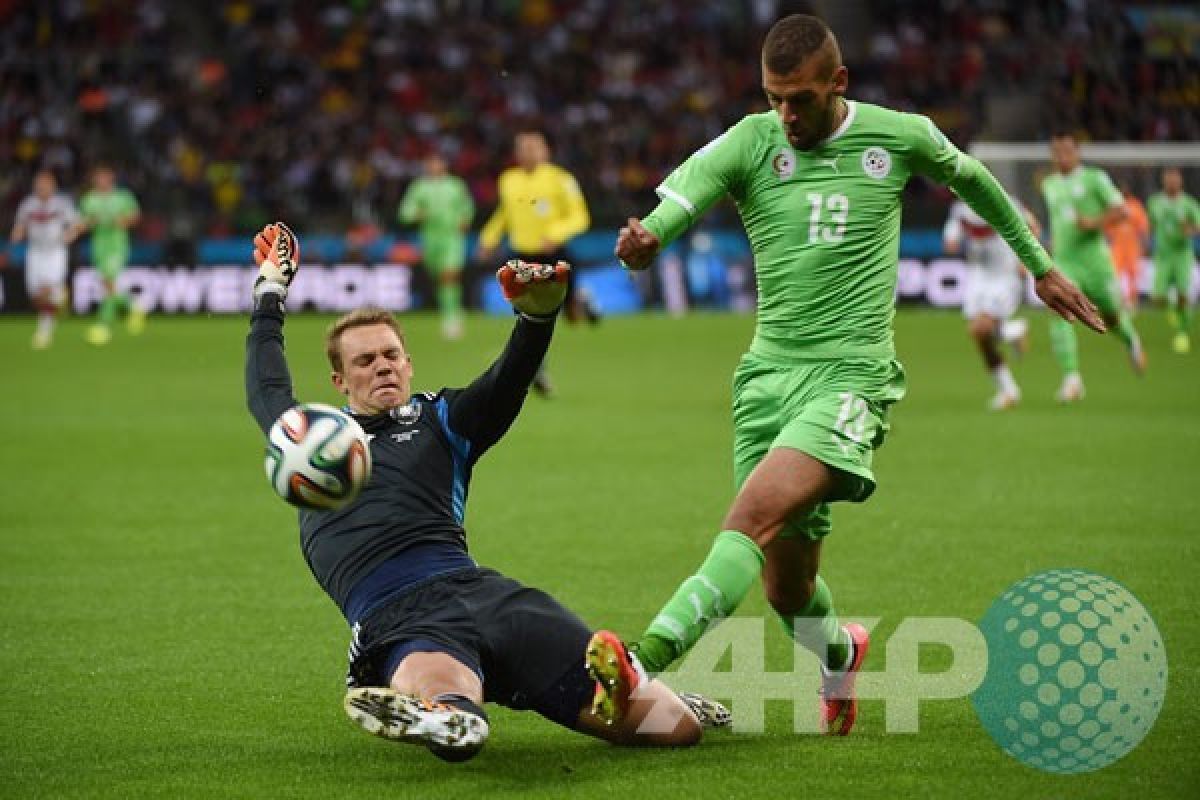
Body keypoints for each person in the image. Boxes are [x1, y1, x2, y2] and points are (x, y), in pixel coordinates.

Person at [603, 14, 1104, 736]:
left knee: (748, 519)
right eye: (774, 97)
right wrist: (648, 240)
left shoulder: (899, 136)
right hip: (765, 382)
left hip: (851, 378)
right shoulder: (753, 139)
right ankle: (841, 654)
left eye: (799, 98)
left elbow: (974, 180)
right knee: (786, 586)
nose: (785, 114)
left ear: (838, 83)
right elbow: (679, 200)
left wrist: (1041, 267)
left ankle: (641, 661)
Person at [244, 223, 725, 762]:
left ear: (408, 363)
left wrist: (538, 317)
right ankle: (446, 714)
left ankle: (638, 689)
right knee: (448, 694)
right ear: (339, 381)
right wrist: (270, 293)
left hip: (486, 595)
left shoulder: (440, 418)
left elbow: (505, 385)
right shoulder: (306, 439)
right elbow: (266, 385)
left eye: (390, 355)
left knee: (674, 728)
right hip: (396, 613)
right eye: (364, 360)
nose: (381, 365)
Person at [477, 129, 595, 394]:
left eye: (534, 147)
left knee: (571, 316)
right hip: (522, 258)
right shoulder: (508, 180)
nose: (528, 152)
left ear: (546, 151)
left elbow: (580, 216)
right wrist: (488, 239)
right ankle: (537, 369)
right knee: (527, 318)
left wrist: (556, 234)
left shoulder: (561, 179)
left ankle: (582, 300)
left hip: (554, 255)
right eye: (523, 147)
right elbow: (504, 214)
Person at [1041, 132, 1147, 402]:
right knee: (1058, 311)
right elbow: (1058, 221)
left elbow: (1122, 211)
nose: (1061, 156)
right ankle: (1072, 378)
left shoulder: (1095, 179)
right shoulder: (1050, 184)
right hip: (1064, 262)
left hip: (1096, 263)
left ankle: (1131, 341)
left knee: (1109, 317)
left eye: (1066, 150)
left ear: (1077, 152)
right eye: (1057, 151)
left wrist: (1093, 222)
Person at [943, 197, 1040, 410]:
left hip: (1004, 274)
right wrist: (953, 241)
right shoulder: (960, 209)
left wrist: (1027, 260)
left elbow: (1032, 226)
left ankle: (1008, 384)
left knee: (981, 328)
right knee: (980, 335)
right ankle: (1008, 387)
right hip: (978, 277)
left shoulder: (1003, 200)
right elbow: (951, 239)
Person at [398, 152, 475, 340]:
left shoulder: (455, 185)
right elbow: (404, 212)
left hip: (452, 238)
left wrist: (465, 219)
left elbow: (467, 206)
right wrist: (416, 214)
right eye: (430, 163)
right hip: (430, 239)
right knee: (440, 279)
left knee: (449, 275)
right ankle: (451, 308)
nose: (434, 166)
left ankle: (451, 317)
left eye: (437, 163)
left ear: (444, 165)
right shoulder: (419, 187)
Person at [9, 169, 82, 349]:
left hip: (55, 251)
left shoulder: (62, 203)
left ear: (53, 186)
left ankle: (45, 330)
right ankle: (60, 297)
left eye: (46, 184)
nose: (42, 188)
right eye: (39, 184)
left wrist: (70, 235)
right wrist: (16, 234)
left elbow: (78, 224)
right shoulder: (28, 204)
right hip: (35, 252)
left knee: (46, 290)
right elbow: (20, 225)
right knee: (35, 295)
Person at [78, 164, 143, 345]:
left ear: (111, 178)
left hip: (117, 246)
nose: (101, 181)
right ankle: (131, 306)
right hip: (99, 247)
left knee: (108, 284)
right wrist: (87, 223)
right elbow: (84, 223)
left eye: (104, 177)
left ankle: (103, 325)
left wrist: (124, 221)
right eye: (98, 178)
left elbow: (135, 216)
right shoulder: (89, 199)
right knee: (108, 285)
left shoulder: (123, 198)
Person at [1146, 167, 1200, 354]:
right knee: (1157, 298)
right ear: (1164, 181)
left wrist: (1190, 230)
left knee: (1184, 295)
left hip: (1182, 256)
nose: (1171, 182)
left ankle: (1182, 333)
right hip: (1163, 256)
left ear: (1180, 181)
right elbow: (1151, 224)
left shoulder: (1189, 204)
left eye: (1175, 179)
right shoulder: (1154, 203)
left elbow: (1197, 226)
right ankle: (1173, 310)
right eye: (1168, 179)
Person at [1104, 182, 1149, 313]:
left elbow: (1143, 226)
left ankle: (1133, 302)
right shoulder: (1113, 206)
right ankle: (1116, 300)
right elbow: (1106, 226)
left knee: (1133, 275)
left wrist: (1144, 243)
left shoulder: (1136, 206)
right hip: (1117, 246)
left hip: (1132, 247)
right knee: (1114, 274)